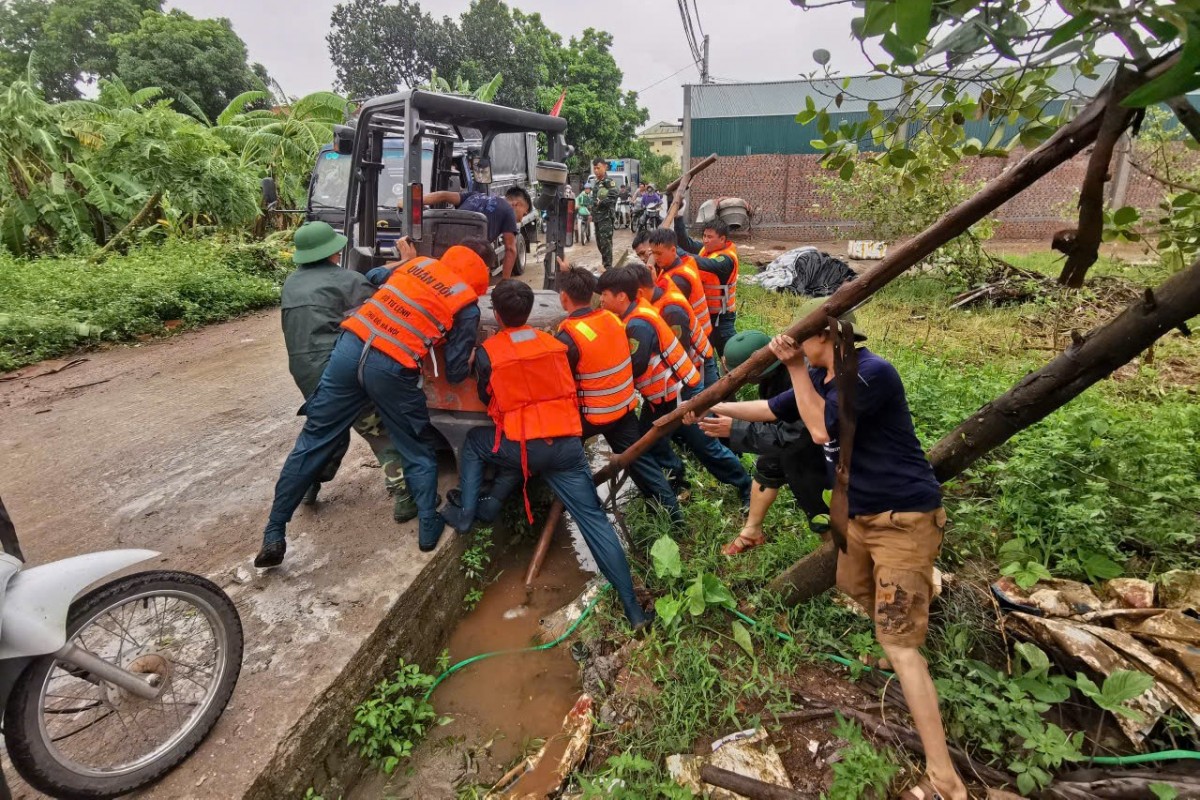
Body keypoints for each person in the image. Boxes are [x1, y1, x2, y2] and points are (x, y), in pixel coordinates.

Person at [765, 307, 967, 800]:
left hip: (903, 519)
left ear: (825, 337)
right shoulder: (821, 374)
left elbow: (820, 430)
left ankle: (946, 779)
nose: (797, 349)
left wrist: (792, 366)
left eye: (801, 342)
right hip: (860, 517)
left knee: (899, 644)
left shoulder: (870, 374)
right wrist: (711, 415)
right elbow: (776, 409)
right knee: (850, 585)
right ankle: (911, 610)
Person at [254, 236, 494, 568]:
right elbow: (453, 372)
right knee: (415, 444)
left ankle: (274, 531)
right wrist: (470, 355)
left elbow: (374, 278)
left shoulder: (417, 266)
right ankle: (427, 526)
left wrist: (400, 262)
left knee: (312, 441)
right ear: (478, 280)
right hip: (392, 366)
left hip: (349, 349)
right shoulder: (467, 304)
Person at [440, 279, 649, 628]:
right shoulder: (555, 344)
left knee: (479, 442)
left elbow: (487, 396)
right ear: (529, 311)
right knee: (594, 522)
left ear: (496, 314)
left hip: (524, 448)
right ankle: (634, 611)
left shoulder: (490, 352)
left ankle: (467, 512)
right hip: (566, 445)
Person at [280, 222, 413, 520]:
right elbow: (382, 307)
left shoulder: (292, 283)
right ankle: (404, 496)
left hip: (304, 373)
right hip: (340, 372)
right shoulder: (349, 281)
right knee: (379, 430)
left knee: (329, 429)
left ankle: (308, 486)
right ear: (334, 251)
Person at [596, 267, 751, 508]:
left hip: (682, 394)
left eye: (604, 294)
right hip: (660, 397)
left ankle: (746, 485)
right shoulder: (632, 316)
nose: (601, 300)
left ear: (622, 297)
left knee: (705, 446)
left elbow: (634, 367)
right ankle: (677, 479)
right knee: (649, 439)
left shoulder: (639, 325)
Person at [554, 266, 684, 528]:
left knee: (564, 454)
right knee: (641, 462)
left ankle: (583, 508)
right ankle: (674, 518)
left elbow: (560, 384)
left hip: (592, 416)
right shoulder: (614, 319)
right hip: (624, 410)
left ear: (563, 297)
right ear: (592, 294)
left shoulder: (568, 336)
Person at [688, 329, 830, 555]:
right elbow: (771, 411)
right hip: (798, 440)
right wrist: (708, 407)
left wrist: (735, 428)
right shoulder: (775, 374)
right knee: (768, 465)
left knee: (816, 500)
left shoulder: (801, 377)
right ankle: (751, 532)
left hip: (815, 451)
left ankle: (837, 553)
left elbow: (793, 435)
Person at [419, 187, 532, 279]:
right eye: (524, 213)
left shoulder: (474, 196)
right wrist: (504, 283)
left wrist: (414, 201)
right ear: (516, 204)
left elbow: (443, 195)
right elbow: (511, 249)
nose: (521, 219)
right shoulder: (508, 210)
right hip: (468, 264)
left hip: (445, 254)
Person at [674, 216, 739, 356]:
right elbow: (685, 243)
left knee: (730, 355)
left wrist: (671, 250)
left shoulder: (726, 260)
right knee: (706, 355)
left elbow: (704, 263)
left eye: (710, 237)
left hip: (722, 320)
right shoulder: (706, 250)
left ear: (722, 239)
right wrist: (678, 218)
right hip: (706, 317)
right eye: (704, 236)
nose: (705, 240)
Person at [649, 229, 715, 361]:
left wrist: (652, 285)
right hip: (701, 333)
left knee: (706, 375)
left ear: (673, 250)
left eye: (659, 253)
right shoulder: (684, 262)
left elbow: (669, 308)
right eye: (653, 253)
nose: (655, 258)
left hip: (694, 339)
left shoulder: (677, 279)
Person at [590, 158, 618, 270]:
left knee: (606, 244)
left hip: (606, 218)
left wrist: (601, 203)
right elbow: (593, 200)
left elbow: (614, 195)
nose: (596, 170)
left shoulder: (608, 181)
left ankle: (608, 268)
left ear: (605, 167)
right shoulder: (597, 183)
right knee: (599, 244)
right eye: (594, 168)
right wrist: (592, 213)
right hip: (597, 218)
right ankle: (605, 265)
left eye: (598, 168)